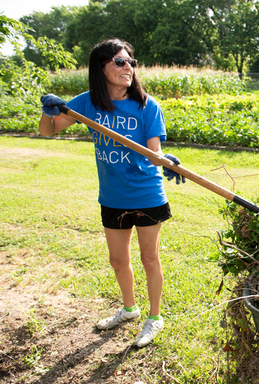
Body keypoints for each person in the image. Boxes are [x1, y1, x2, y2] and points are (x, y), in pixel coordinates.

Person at [39, 38, 185, 348]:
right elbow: (48, 130)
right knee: (118, 261)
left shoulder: (147, 105)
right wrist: (47, 111)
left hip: (147, 193)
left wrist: (168, 162)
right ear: (100, 66)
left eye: (131, 62)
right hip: (112, 196)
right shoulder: (87, 103)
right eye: (120, 62)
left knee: (149, 258)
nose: (128, 67)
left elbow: (154, 153)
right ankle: (129, 310)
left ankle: (154, 318)